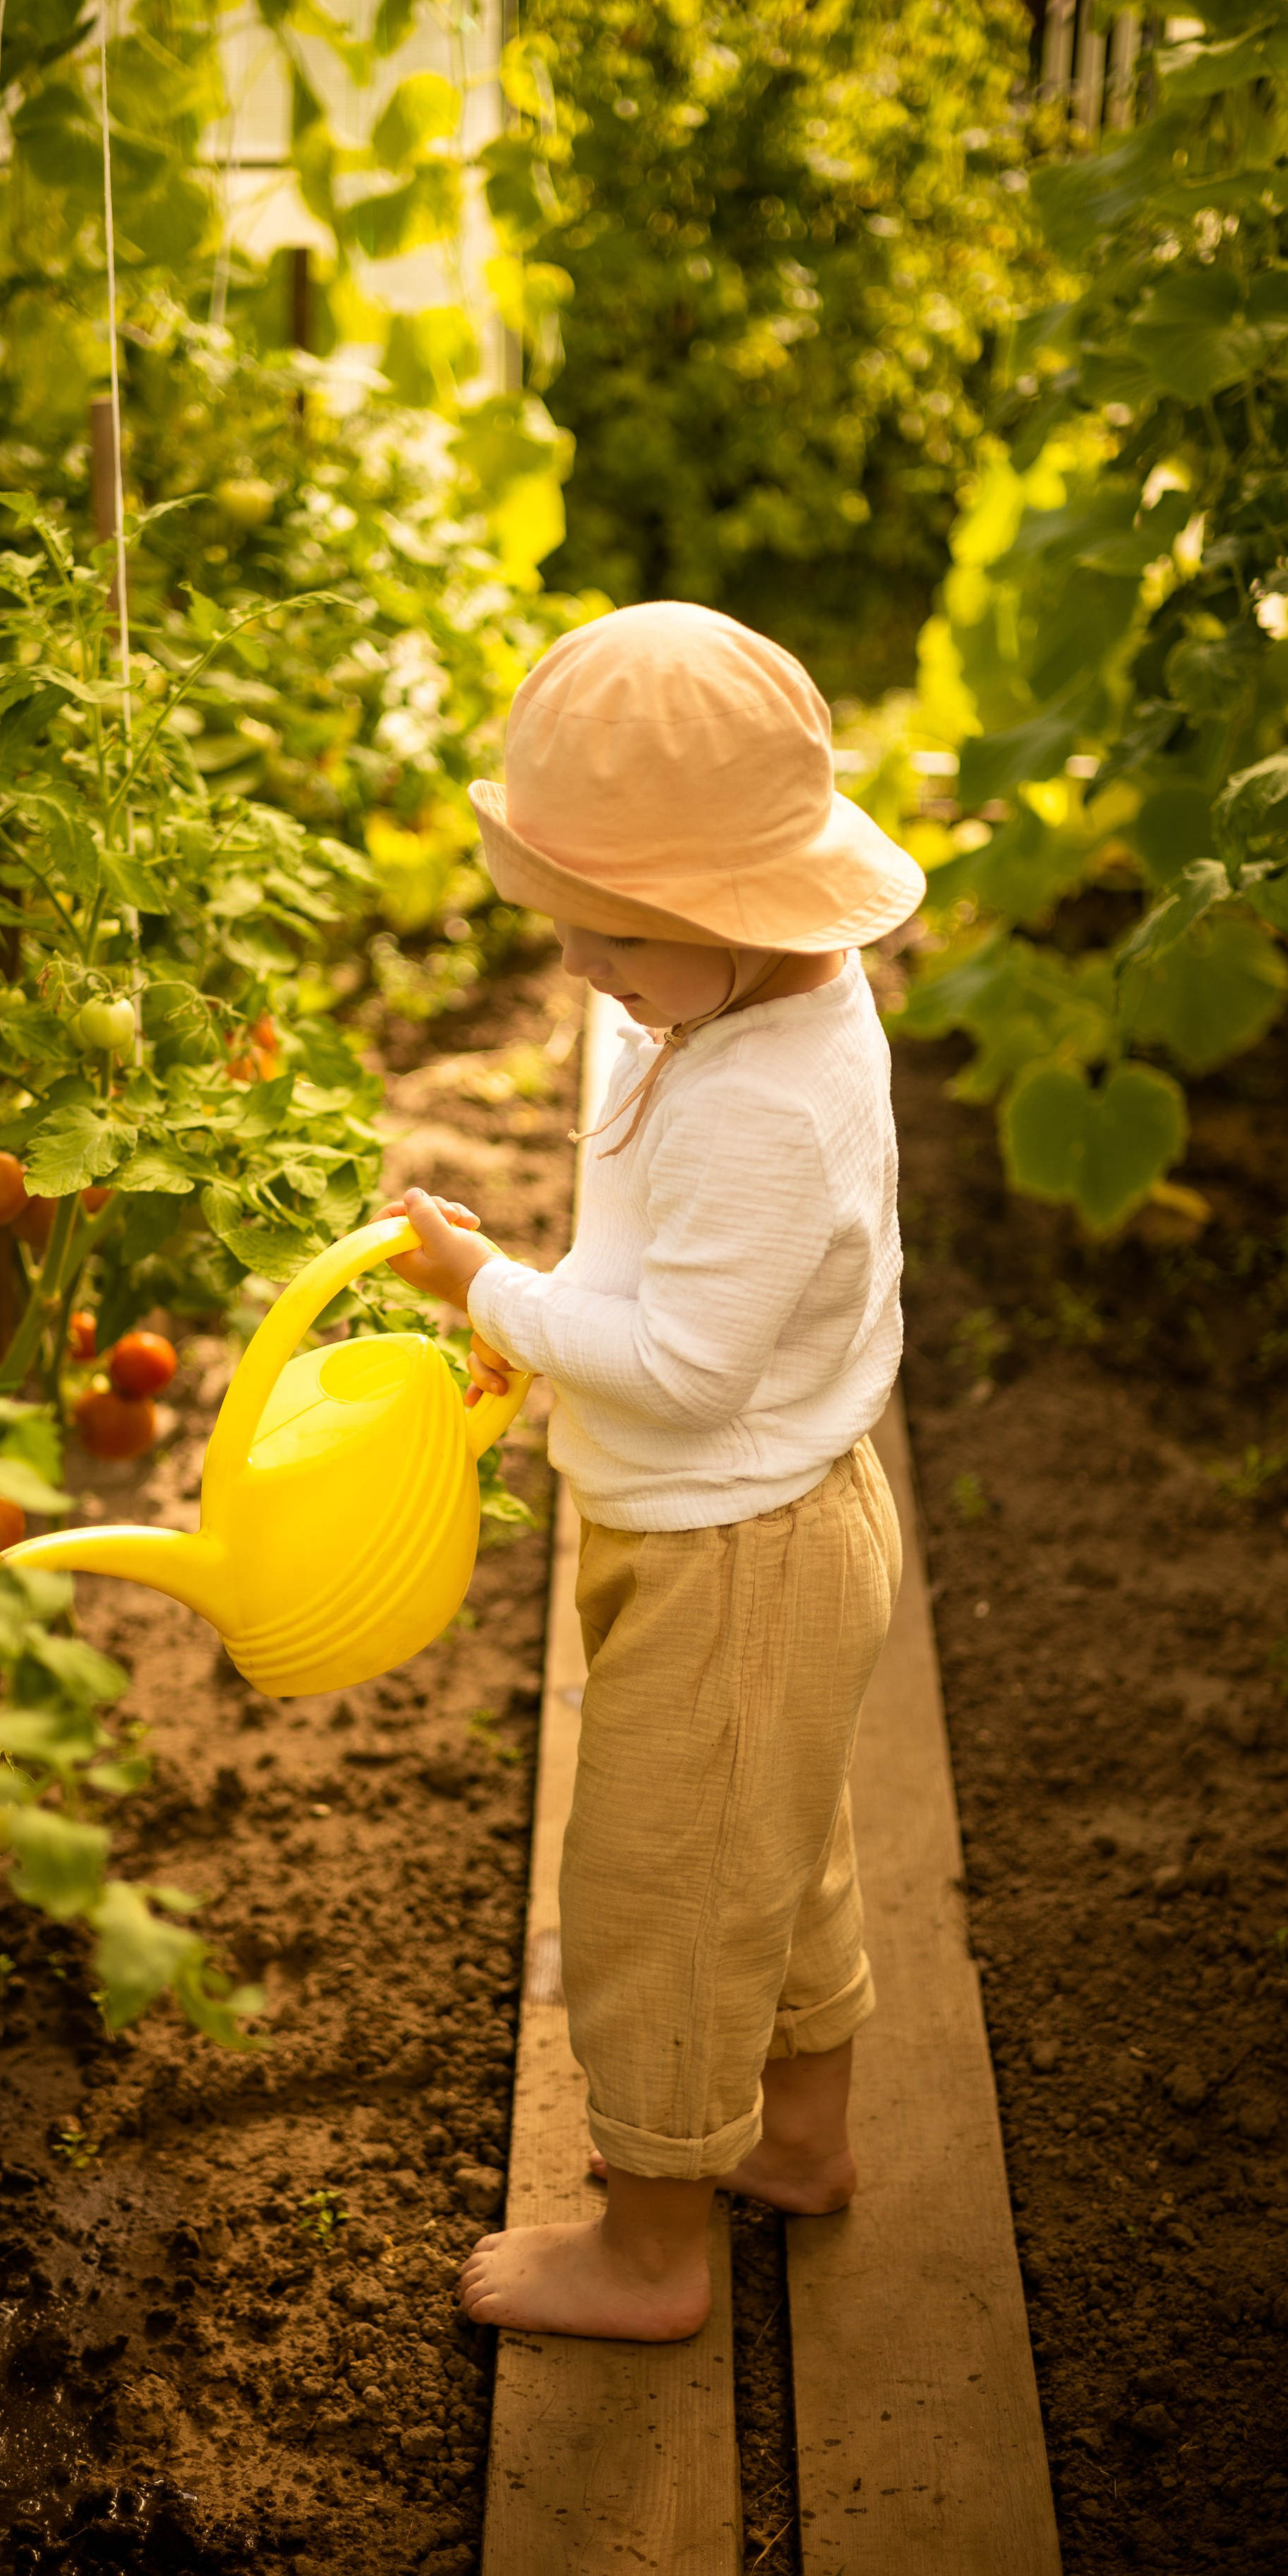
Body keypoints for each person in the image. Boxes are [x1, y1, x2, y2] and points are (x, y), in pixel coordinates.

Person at [378, 600, 925, 2342]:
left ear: (731, 923)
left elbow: (687, 1375)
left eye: (607, 936)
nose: (571, 973)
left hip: (733, 1540)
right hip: (736, 1526)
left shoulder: (764, 1102)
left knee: (660, 1899)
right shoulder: (705, 1017)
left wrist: (489, 1292)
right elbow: (662, 1253)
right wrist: (539, 1290)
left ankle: (652, 2247)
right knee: (768, 1851)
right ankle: (805, 2144)